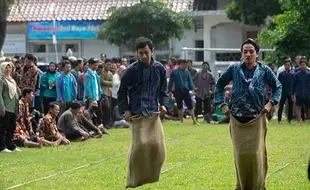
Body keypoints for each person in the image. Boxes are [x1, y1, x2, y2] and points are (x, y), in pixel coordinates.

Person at [214, 38, 282, 190]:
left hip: (257, 119)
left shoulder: (264, 70)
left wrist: (270, 103)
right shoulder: (234, 69)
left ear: (257, 54)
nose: (248, 54)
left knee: (256, 155)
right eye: (245, 52)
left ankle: (259, 185)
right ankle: (241, 186)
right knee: (240, 155)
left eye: (252, 51)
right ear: (241, 54)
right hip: (237, 119)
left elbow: (277, 86)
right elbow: (219, 86)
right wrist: (222, 104)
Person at [118, 37, 168, 188]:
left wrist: (164, 104)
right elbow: (121, 93)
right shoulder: (131, 71)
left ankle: (150, 177)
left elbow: (163, 90)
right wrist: (125, 110)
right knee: (139, 147)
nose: (143, 56)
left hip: (153, 113)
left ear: (152, 51)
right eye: (140, 53)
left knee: (157, 148)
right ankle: (132, 181)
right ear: (137, 53)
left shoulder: (160, 69)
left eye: (146, 52)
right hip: (137, 113)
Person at [168, 59, 198, 125]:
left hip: (186, 90)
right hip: (178, 90)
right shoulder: (174, 71)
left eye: (186, 65)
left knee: (190, 105)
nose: (186, 66)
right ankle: (181, 121)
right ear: (180, 64)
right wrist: (169, 91)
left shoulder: (187, 72)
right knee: (179, 106)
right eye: (184, 64)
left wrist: (192, 88)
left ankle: (194, 120)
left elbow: (190, 80)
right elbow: (171, 82)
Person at [0, 62, 20, 153]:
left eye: (10, 68)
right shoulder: (1, 80)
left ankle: (10, 145)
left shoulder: (12, 80)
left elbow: (15, 94)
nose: (8, 70)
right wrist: (1, 107)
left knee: (11, 127)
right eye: (6, 68)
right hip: (5, 107)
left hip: (13, 107)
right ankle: (1, 146)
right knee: (3, 128)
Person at [291, 58, 310, 126]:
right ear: (300, 66)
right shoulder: (296, 75)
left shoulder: (309, 74)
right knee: (298, 107)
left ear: (306, 65)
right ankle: (299, 121)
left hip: (308, 94)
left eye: (304, 65)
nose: (303, 66)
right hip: (299, 94)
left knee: (308, 108)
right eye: (301, 65)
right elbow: (293, 85)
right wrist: (293, 94)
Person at [277, 58, 294, 124]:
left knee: (290, 106)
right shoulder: (281, 74)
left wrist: (293, 93)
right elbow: (279, 83)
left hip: (290, 92)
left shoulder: (293, 74)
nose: (287, 66)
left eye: (288, 65)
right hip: (283, 92)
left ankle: (289, 119)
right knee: (281, 106)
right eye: (286, 65)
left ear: (290, 66)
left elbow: (293, 84)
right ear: (284, 65)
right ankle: (279, 119)